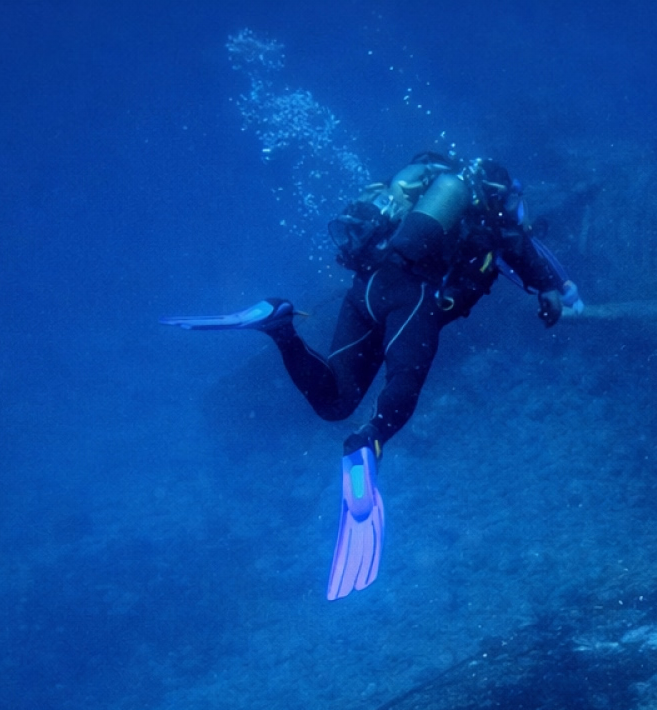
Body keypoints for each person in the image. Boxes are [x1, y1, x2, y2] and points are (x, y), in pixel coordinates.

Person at [162, 153, 583, 599]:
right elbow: (524, 248)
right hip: (409, 293)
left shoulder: (419, 196)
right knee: (403, 382)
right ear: (498, 197)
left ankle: (280, 324)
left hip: (365, 288)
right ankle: (370, 440)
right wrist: (557, 290)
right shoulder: (491, 218)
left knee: (335, 402)